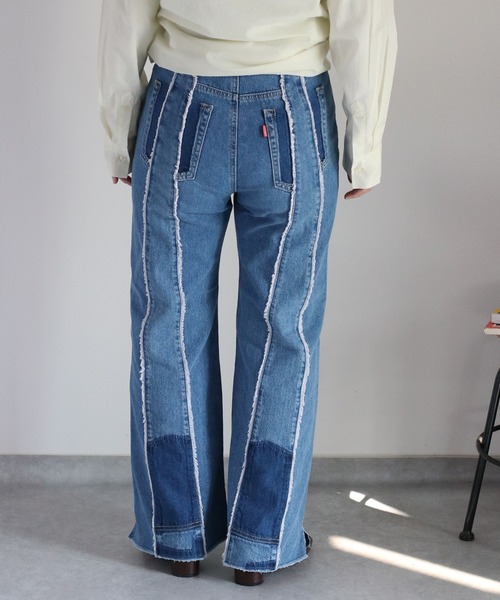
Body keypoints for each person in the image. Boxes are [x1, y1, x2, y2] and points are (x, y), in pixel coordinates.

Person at [98, 0, 397, 586]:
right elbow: (363, 17)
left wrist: (118, 134)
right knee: (285, 334)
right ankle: (261, 542)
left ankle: (177, 536)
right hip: (291, 109)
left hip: (180, 109)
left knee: (167, 325)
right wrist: (365, 148)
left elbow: (124, 17)